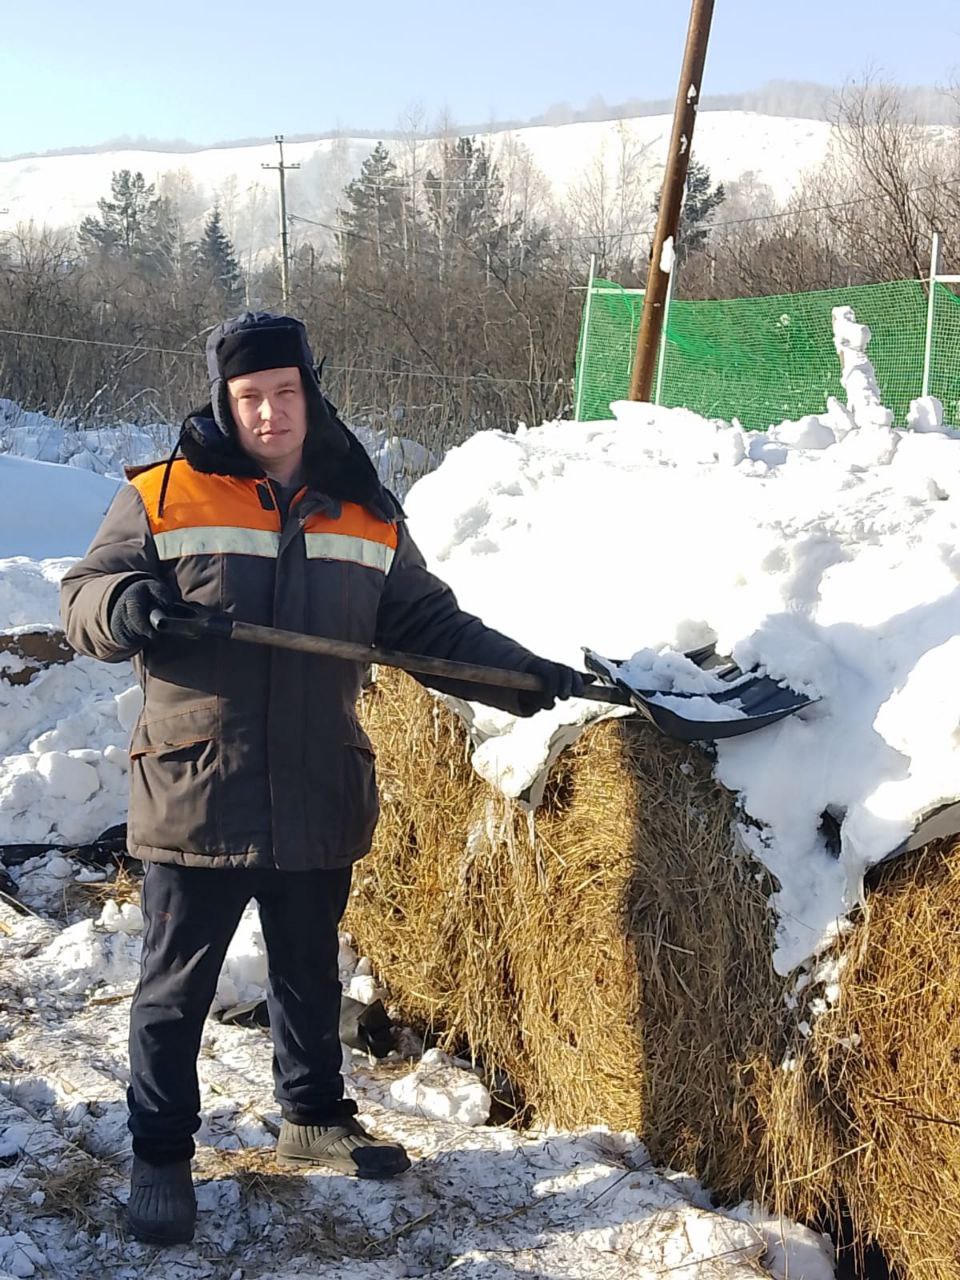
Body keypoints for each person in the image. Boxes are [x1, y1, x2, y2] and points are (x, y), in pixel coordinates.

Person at [60, 311, 585, 1246]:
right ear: (226, 401)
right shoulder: (165, 496)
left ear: (311, 391)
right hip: (197, 789)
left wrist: (525, 676)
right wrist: (127, 604)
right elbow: (83, 599)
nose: (269, 414)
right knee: (176, 988)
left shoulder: (365, 508)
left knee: (308, 969)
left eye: (284, 393)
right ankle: (161, 1153)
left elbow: (427, 627)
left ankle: (311, 1116)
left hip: (315, 784)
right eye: (249, 397)